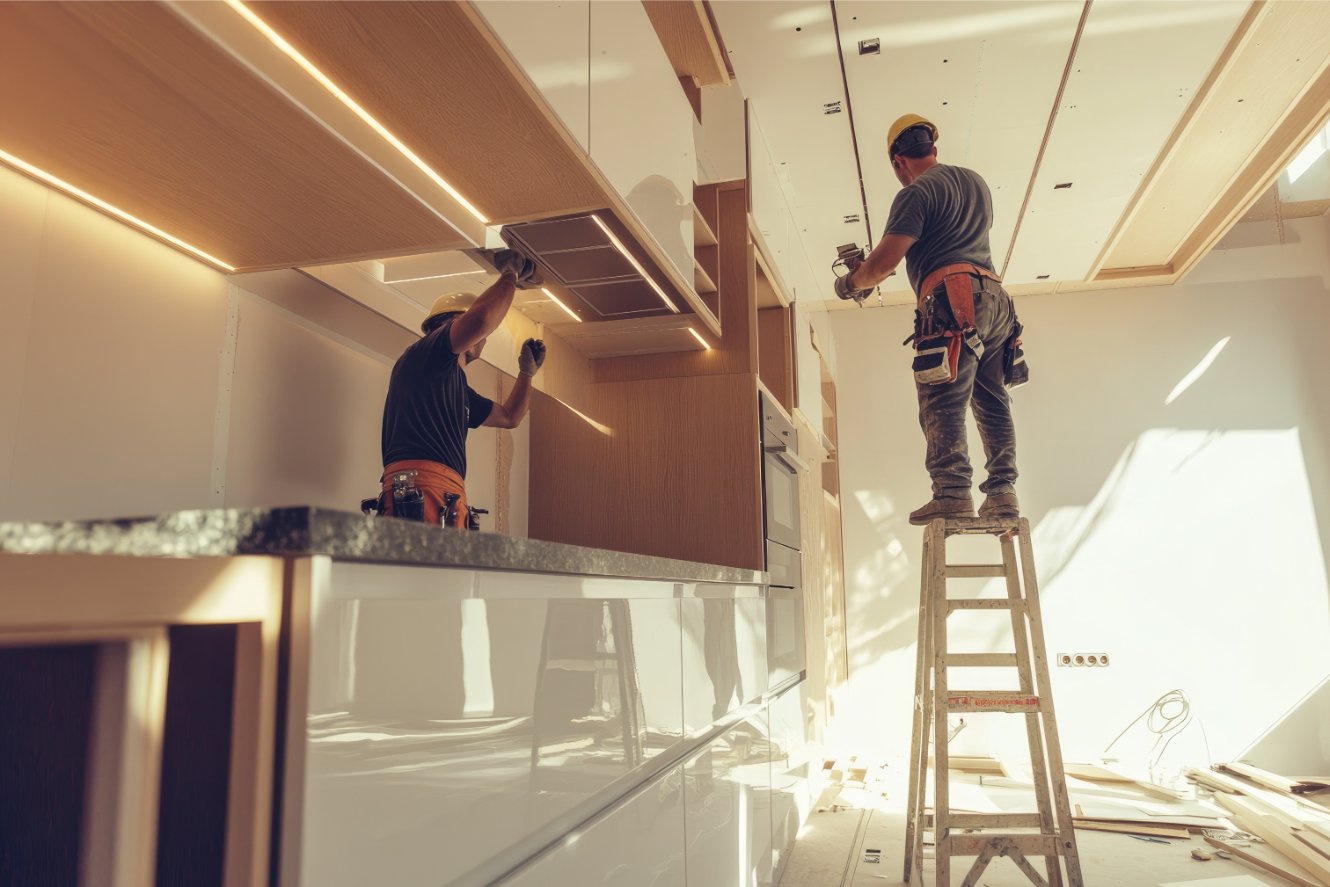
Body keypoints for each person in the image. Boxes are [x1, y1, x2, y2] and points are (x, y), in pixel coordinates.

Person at [835, 114, 1021, 526]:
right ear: (932, 148)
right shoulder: (975, 182)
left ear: (898, 161)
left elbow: (883, 264)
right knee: (991, 401)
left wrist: (851, 282)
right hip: (996, 302)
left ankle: (952, 493)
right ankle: (1003, 493)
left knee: (942, 400)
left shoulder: (915, 193)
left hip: (953, 300)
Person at [378, 250, 546, 527]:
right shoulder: (426, 355)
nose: (481, 337)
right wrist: (510, 274)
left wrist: (526, 374)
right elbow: (480, 320)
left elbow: (509, 417)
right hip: (421, 490)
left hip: (441, 492)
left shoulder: (455, 387)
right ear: (445, 327)